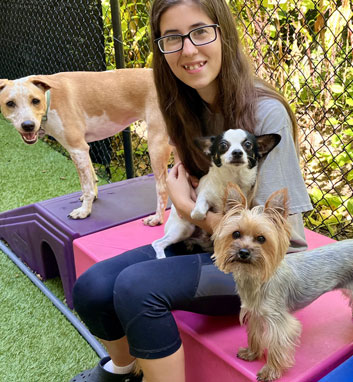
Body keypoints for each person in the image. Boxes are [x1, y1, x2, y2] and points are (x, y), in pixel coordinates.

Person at [69, 0, 312, 381]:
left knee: (137, 287)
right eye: (172, 38)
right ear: (160, 48)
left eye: (200, 32)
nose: (188, 49)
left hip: (263, 267)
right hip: (206, 239)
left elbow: (268, 239)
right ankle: (123, 369)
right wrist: (188, 204)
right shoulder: (184, 105)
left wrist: (184, 205)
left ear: (224, 34)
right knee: (93, 286)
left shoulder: (265, 113)